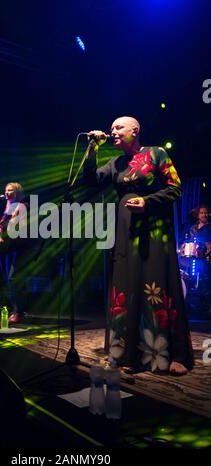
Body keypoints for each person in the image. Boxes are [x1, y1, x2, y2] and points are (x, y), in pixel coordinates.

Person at [84, 116, 194, 375]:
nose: (113, 131)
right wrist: (92, 149)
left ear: (136, 131)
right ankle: (128, 354)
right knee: (127, 285)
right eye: (111, 128)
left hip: (154, 231)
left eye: (118, 127)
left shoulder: (156, 154)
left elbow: (176, 188)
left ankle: (171, 353)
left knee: (155, 283)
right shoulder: (116, 163)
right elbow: (90, 180)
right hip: (125, 231)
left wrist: (148, 201)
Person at [0, 182, 28, 324]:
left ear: (17, 193)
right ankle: (16, 310)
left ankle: (18, 312)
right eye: (6, 190)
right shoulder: (8, 207)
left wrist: (4, 227)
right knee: (8, 279)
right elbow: (2, 222)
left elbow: (18, 225)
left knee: (14, 279)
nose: (7, 193)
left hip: (17, 248)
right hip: (7, 248)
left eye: (10, 190)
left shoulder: (22, 206)